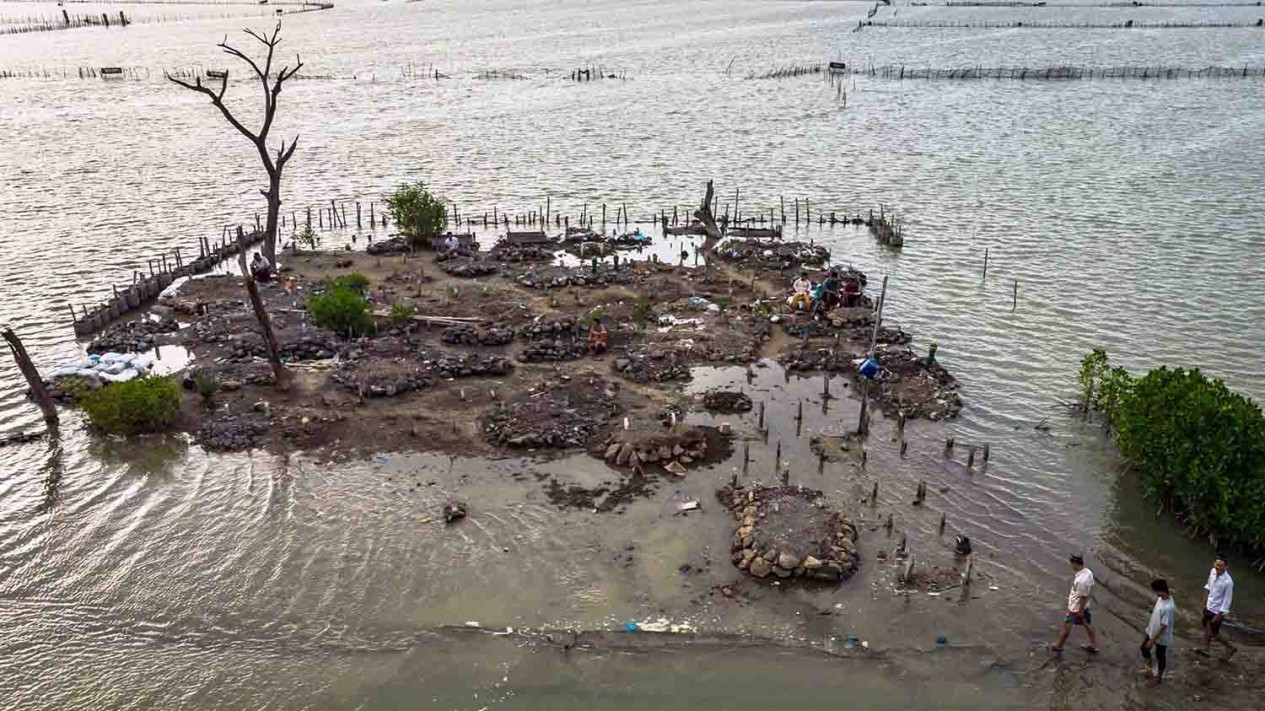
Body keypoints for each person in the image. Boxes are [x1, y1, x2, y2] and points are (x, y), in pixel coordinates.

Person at [1051, 553, 1099, 653]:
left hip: (1076, 607)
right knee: (1087, 623)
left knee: (1067, 625)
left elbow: (1083, 596)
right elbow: (1089, 590)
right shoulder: (1088, 572)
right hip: (1084, 606)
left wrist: (1080, 611)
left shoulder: (1081, 581)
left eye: (1071, 563)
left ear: (1075, 563)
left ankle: (1058, 645)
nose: (1071, 565)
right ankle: (1094, 645)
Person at [1200, 554, 1236, 659]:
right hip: (1209, 605)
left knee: (1214, 633)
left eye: (1221, 566)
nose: (1218, 567)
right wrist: (1205, 598)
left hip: (1217, 610)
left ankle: (1230, 647)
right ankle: (1206, 649)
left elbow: (1227, 600)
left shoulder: (1228, 582)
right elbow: (1209, 586)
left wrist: (1220, 614)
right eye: (1216, 565)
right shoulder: (1212, 572)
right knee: (1206, 626)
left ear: (1225, 567)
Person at [1142, 579, 1175, 685]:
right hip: (1151, 630)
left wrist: (1152, 640)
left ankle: (1159, 677)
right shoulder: (1161, 599)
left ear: (1161, 590)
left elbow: (1163, 626)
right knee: (1144, 648)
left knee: (1160, 656)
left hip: (1161, 637)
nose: (1155, 593)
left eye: (1156, 591)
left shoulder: (1169, 607)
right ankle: (1149, 667)